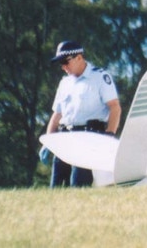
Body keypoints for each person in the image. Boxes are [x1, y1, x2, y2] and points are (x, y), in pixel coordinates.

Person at [40, 40, 121, 187]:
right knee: (56, 187)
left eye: (66, 61)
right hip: (65, 137)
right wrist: (48, 142)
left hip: (88, 137)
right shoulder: (64, 83)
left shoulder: (99, 77)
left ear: (79, 57)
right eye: (60, 63)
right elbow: (57, 115)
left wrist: (109, 136)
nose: (63, 67)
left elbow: (115, 107)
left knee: (78, 185)